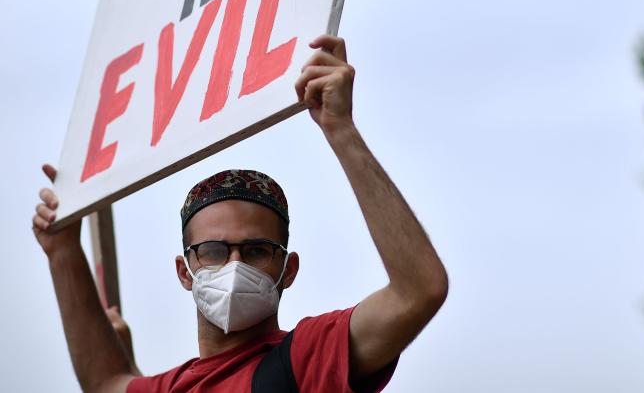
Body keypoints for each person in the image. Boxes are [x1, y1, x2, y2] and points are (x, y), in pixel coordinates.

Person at [32, 35, 448, 392]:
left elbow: (418, 290)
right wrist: (63, 250)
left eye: (254, 250)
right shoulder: (176, 386)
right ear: (184, 270)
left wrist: (340, 129)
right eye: (213, 250)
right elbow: (105, 381)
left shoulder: (307, 359)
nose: (233, 266)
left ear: (287, 269)